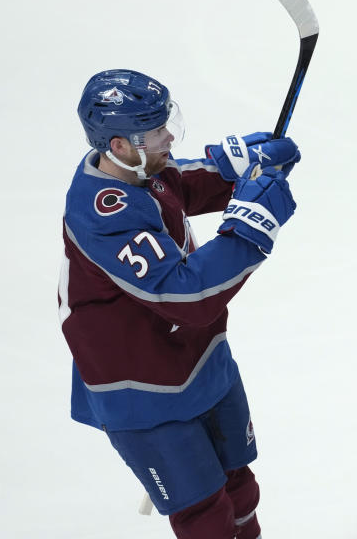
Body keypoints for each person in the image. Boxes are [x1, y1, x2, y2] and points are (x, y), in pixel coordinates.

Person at [58, 69, 300, 538]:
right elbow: (186, 295)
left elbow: (182, 183)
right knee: (204, 517)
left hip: (200, 361)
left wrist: (240, 168)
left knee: (240, 489)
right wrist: (250, 229)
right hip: (141, 391)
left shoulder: (141, 171)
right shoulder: (101, 212)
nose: (169, 136)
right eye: (154, 132)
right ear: (118, 147)